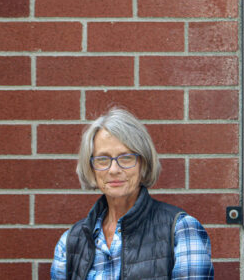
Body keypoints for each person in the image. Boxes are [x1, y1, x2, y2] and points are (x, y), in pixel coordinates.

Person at [50, 108, 214, 279]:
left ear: (143, 163)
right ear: (91, 167)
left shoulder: (181, 230)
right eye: (103, 159)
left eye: (126, 157)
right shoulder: (71, 242)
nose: (114, 169)